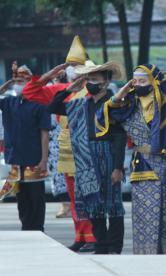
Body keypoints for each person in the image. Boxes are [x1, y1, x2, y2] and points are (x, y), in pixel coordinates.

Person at [95, 64, 166, 254]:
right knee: (144, 212)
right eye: (135, 81)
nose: (138, 85)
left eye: (143, 81)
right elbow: (103, 116)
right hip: (141, 163)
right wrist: (121, 93)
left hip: (165, 164)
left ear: (154, 82)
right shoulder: (130, 103)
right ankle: (147, 250)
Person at [22, 35, 96, 252]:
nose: (73, 69)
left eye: (77, 65)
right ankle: (81, 235)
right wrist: (51, 74)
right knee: (73, 195)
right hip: (66, 147)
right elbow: (29, 93)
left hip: (87, 146)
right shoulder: (60, 88)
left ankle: (93, 236)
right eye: (70, 66)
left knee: (88, 193)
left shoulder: (93, 89)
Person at [47, 60, 127, 254]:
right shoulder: (80, 104)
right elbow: (53, 106)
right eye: (88, 79)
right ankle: (101, 244)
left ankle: (114, 246)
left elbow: (119, 137)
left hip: (107, 153)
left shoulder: (114, 103)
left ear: (106, 82)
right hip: (84, 157)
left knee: (113, 204)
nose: (90, 82)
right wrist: (69, 89)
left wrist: (118, 167)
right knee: (92, 203)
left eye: (95, 79)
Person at [0, 66, 51, 232]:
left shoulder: (39, 104)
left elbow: (44, 133)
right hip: (16, 159)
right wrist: (8, 84)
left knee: (36, 197)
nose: (18, 84)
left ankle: (37, 228)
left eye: (22, 81)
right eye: (16, 81)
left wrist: (44, 159)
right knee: (21, 198)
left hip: (34, 158)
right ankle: (26, 227)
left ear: (31, 83)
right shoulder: (9, 102)